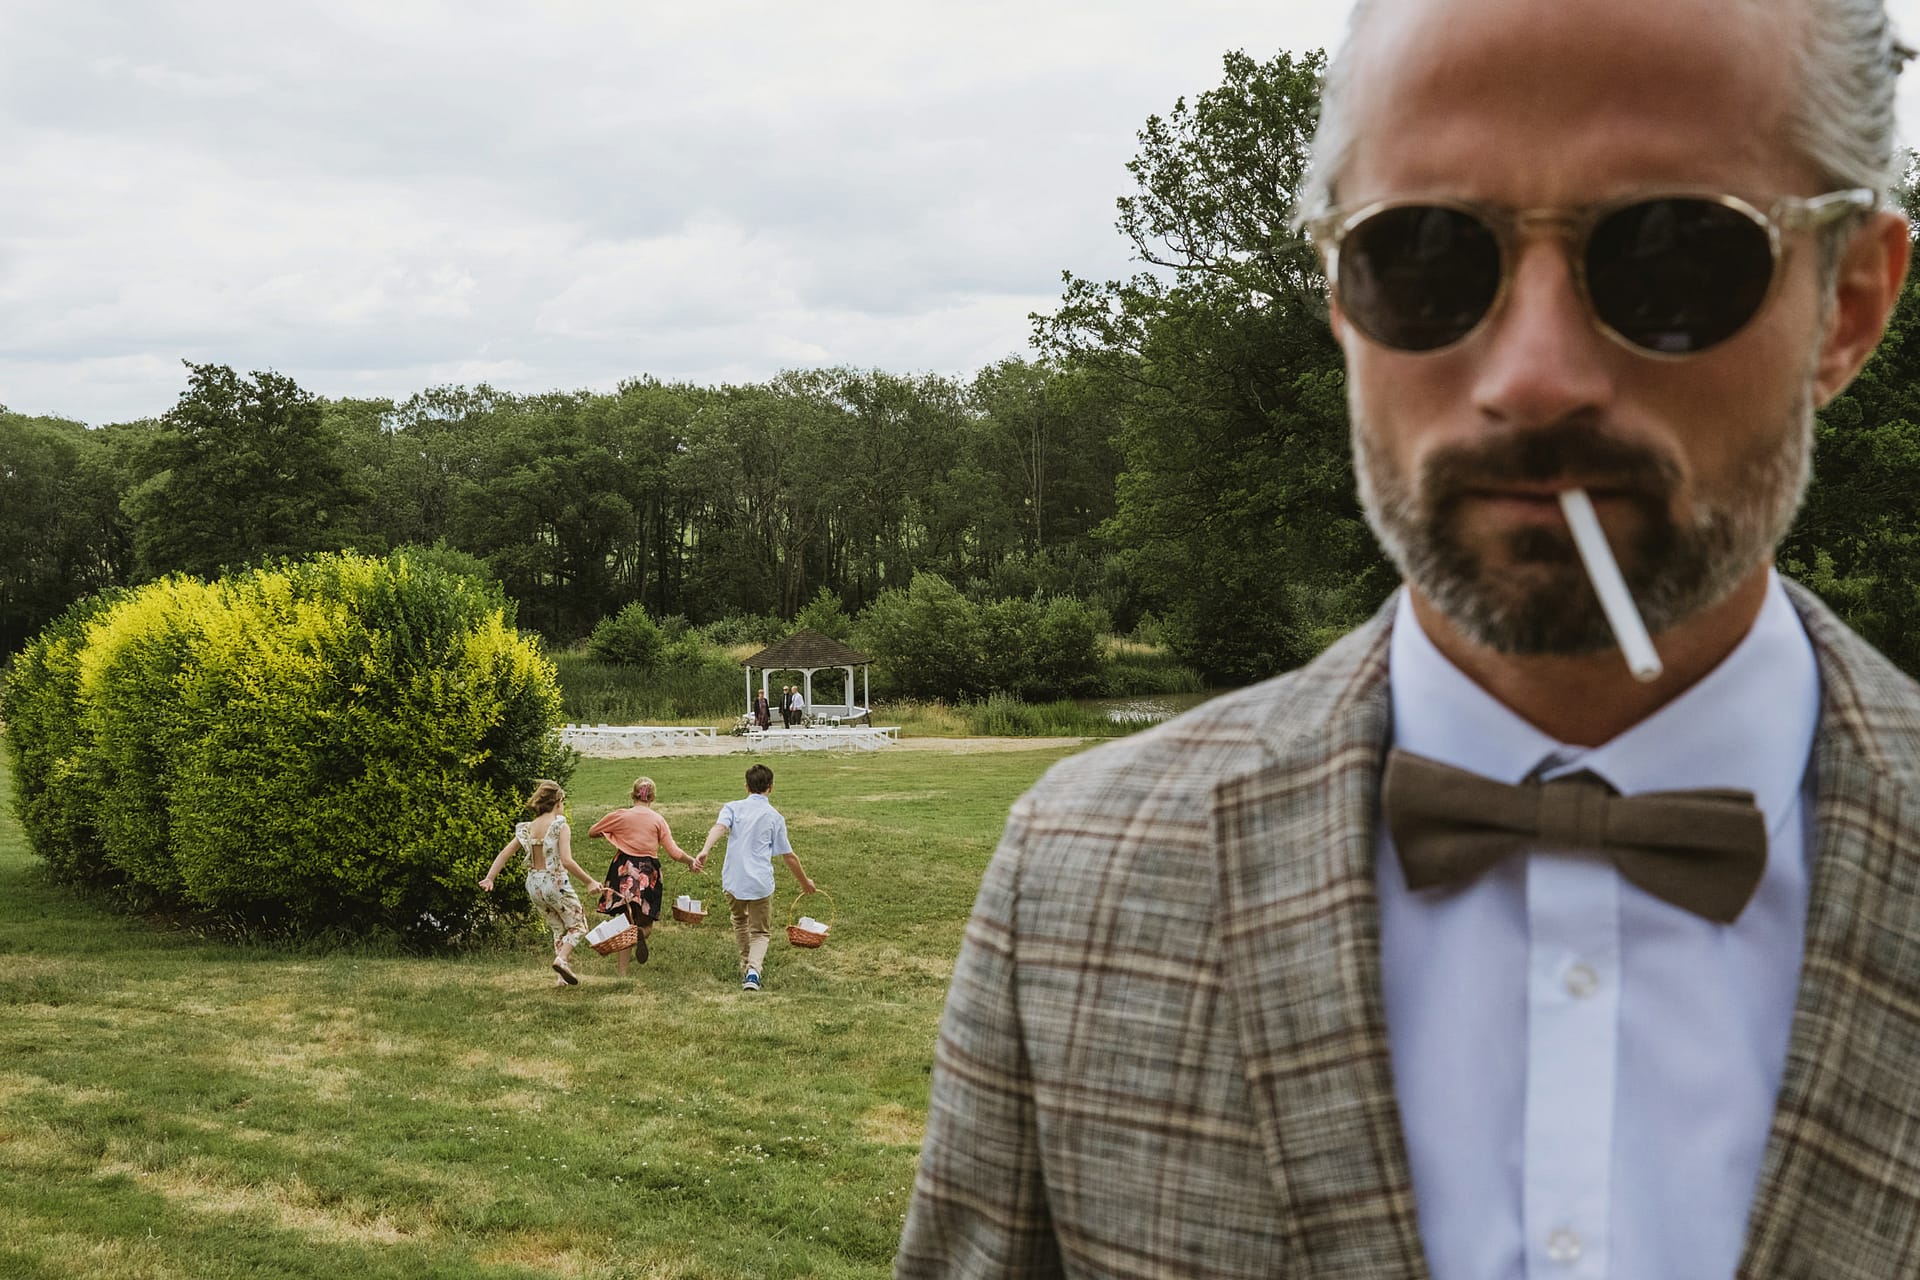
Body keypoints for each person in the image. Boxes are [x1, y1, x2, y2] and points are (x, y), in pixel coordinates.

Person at [896, 0, 1919, 1276]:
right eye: (1427, 256)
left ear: (1850, 301)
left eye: (1667, 254)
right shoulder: (1074, 880)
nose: (1536, 375)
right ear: (1338, 293)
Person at [693, 763, 817, 992]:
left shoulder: (732, 808)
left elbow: (719, 827)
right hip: (760, 882)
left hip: (733, 879)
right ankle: (753, 971)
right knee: (760, 931)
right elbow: (789, 856)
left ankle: (746, 965)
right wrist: (805, 882)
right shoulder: (774, 817)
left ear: (746, 787)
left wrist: (705, 849)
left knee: (740, 920)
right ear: (770, 788)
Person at [480, 779, 603, 987]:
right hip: (554, 881)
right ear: (558, 802)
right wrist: (590, 882)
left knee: (558, 928)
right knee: (578, 924)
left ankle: (561, 977)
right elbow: (566, 861)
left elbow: (505, 853)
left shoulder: (529, 827)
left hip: (534, 884)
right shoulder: (560, 826)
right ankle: (562, 960)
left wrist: (490, 877)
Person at [587, 776, 699, 977]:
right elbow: (674, 852)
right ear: (653, 798)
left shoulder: (621, 816)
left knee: (625, 920)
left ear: (632, 795)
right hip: (648, 873)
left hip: (623, 871)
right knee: (645, 923)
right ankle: (640, 933)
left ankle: (622, 973)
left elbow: (593, 831)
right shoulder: (658, 820)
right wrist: (690, 861)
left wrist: (614, 835)